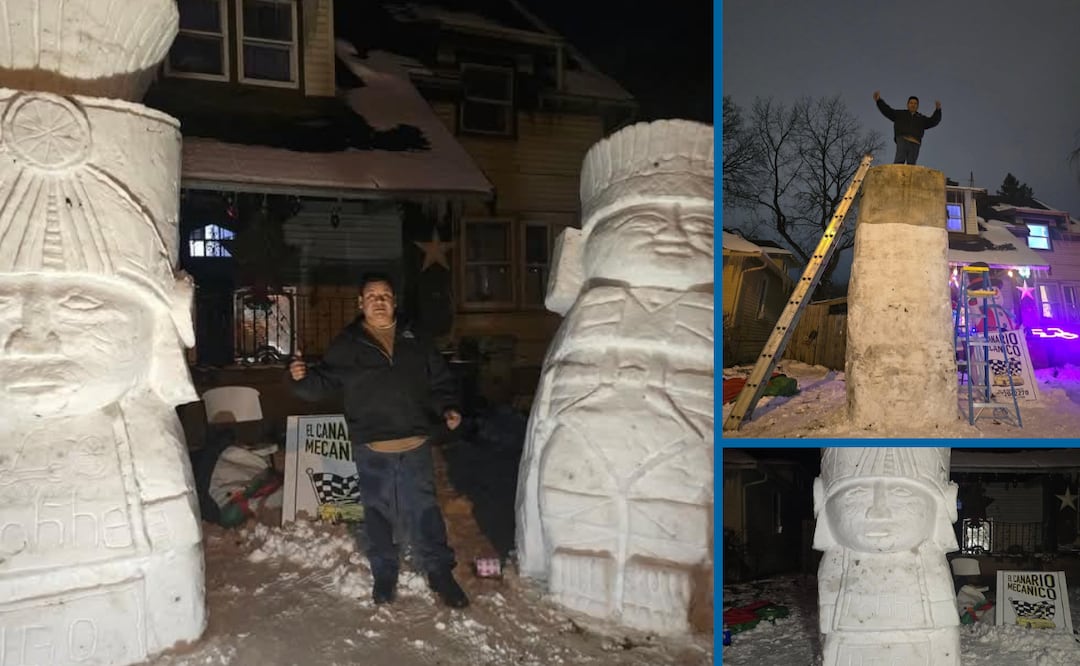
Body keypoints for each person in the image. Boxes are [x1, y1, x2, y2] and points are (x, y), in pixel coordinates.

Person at [287, 272, 469, 608]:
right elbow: (321, 385)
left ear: (394, 301)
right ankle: (384, 573)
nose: (379, 301)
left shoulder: (416, 337)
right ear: (361, 303)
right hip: (371, 447)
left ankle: (440, 571)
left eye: (385, 295)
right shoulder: (348, 343)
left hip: (414, 442)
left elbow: (440, 379)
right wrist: (301, 378)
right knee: (376, 514)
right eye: (371, 296)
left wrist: (449, 407)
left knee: (425, 510)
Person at [873, 91, 942, 165]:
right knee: (899, 160)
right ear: (908, 104)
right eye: (911, 103)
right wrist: (879, 101)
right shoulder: (900, 114)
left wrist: (938, 110)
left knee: (911, 165)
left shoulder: (921, 119)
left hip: (915, 142)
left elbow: (933, 121)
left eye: (915, 104)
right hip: (903, 139)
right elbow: (888, 111)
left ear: (917, 106)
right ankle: (896, 175)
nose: (913, 105)